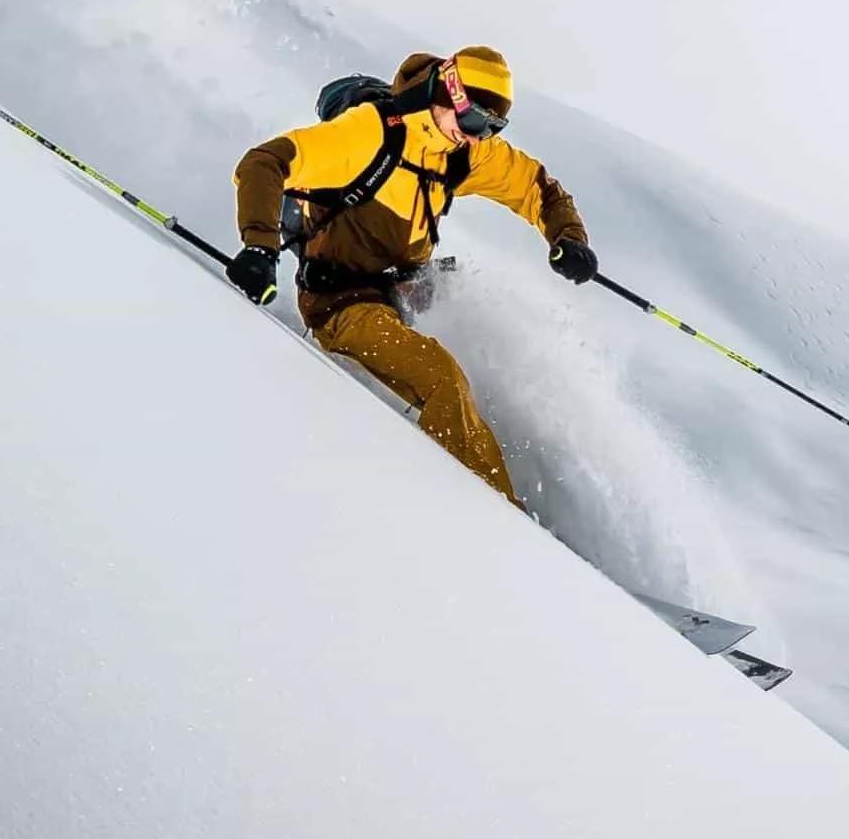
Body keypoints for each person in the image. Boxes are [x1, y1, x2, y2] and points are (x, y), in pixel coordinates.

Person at [227, 47, 597, 504]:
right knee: (442, 377)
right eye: (477, 123)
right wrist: (259, 247)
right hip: (341, 300)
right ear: (450, 94)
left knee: (478, 298)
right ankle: (493, 512)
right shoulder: (369, 133)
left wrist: (568, 237)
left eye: (494, 128)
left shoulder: (462, 150)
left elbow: (536, 186)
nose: (480, 139)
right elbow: (263, 163)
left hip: (402, 282)